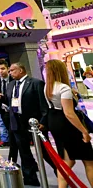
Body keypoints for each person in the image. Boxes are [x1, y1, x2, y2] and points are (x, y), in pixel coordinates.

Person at [45, 60, 93, 188]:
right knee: (89, 161)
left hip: (55, 122)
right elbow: (69, 113)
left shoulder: (48, 87)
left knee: (67, 161)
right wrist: (84, 131)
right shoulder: (63, 87)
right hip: (68, 125)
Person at [6, 63, 56, 186]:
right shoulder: (11, 85)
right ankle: (30, 178)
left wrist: (43, 121)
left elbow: (44, 104)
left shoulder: (36, 83)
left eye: (12, 70)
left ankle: (60, 173)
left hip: (34, 124)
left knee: (45, 152)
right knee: (24, 152)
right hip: (17, 123)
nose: (10, 73)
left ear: (21, 70)